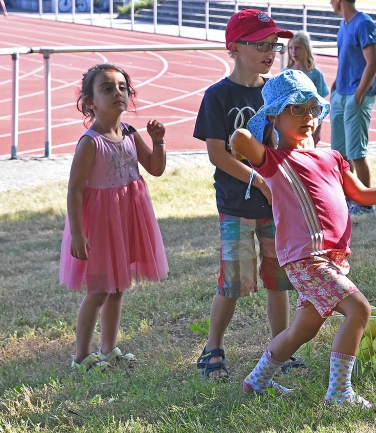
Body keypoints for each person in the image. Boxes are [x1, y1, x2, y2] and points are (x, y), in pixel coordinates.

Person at [230, 69, 376, 408]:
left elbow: (363, 195)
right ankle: (339, 392)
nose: (308, 117)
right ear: (275, 116)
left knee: (304, 329)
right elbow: (239, 138)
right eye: (296, 109)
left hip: (332, 259)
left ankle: (257, 381)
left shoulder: (331, 157)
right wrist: (259, 134)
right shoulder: (276, 162)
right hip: (305, 258)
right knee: (358, 309)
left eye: (312, 108)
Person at [192, 9, 306, 379]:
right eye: (260, 44)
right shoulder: (217, 96)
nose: (270, 51)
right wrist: (259, 181)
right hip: (236, 206)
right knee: (233, 284)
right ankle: (213, 348)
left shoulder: (276, 91)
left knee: (278, 280)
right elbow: (217, 153)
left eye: (273, 45)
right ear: (234, 47)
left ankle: (280, 348)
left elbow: (289, 138)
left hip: (277, 208)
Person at [60, 63, 169, 371]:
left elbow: (155, 168)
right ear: (90, 101)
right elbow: (75, 191)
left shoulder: (131, 134)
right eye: (107, 88)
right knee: (98, 290)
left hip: (127, 217)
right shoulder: (91, 142)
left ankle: (109, 349)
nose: (117, 93)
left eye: (122, 87)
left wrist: (158, 141)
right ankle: (81, 357)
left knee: (118, 288)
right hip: (101, 224)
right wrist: (79, 234)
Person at [329, 0, 376, 215]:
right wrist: (335, 86)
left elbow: (373, 63)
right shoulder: (343, 25)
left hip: (357, 96)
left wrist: (359, 94)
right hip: (340, 94)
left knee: (356, 152)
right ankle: (348, 200)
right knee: (339, 155)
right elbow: (346, 61)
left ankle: (366, 203)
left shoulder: (364, 24)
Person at [284, 31, 330, 146]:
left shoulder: (315, 74)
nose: (293, 52)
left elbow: (319, 103)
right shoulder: (285, 74)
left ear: (306, 48)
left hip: (308, 121)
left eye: (298, 48)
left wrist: (318, 129)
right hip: (289, 123)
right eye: (290, 48)